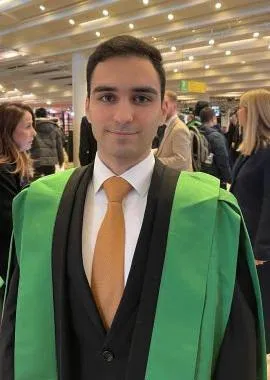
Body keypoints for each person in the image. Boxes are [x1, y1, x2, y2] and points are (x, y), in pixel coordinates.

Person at [0, 36, 266, 380]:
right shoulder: (38, 207)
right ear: (88, 106)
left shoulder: (211, 214)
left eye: (141, 97)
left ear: (162, 109)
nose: (123, 115)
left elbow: (236, 348)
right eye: (107, 97)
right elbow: (14, 330)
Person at [230, 89, 270, 355]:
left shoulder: (267, 155)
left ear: (253, 113)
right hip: (242, 238)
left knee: (262, 307)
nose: (237, 113)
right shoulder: (249, 152)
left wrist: (262, 249)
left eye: (241, 107)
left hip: (259, 248)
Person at [0, 102, 36, 309]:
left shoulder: (16, 166)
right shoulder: (4, 171)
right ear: (8, 130)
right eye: (28, 126)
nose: (34, 133)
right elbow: (10, 224)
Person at [155, 90, 192, 171]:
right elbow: (165, 149)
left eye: (166, 103)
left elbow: (181, 159)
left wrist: (155, 162)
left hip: (178, 179)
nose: (162, 107)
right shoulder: (167, 126)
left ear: (175, 106)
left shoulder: (179, 129)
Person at [199, 107, 232, 188]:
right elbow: (223, 160)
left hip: (201, 175)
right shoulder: (216, 137)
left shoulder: (197, 133)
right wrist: (229, 179)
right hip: (216, 179)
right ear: (214, 118)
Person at [30, 107, 64, 178]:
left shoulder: (32, 128)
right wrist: (61, 160)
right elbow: (59, 146)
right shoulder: (54, 128)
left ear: (35, 115)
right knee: (50, 182)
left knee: (36, 182)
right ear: (46, 115)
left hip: (36, 160)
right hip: (51, 162)